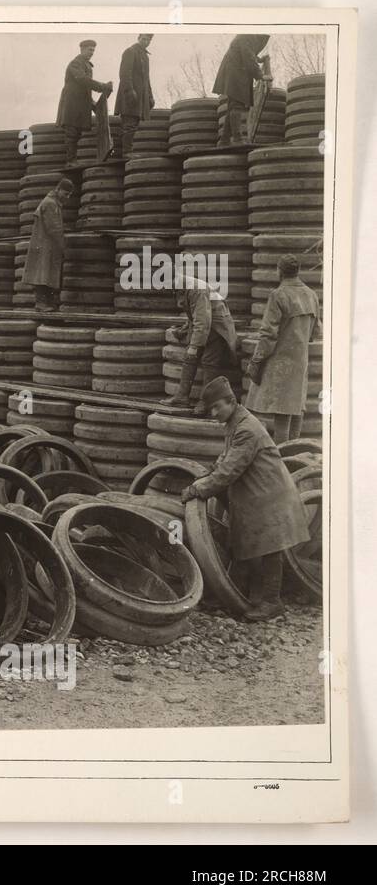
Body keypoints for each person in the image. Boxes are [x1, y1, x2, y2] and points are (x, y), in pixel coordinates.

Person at [180, 375, 311, 621]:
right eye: (211, 409)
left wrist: (199, 488)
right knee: (243, 543)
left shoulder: (246, 429)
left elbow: (229, 470)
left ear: (231, 401)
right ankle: (233, 594)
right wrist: (209, 474)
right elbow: (225, 459)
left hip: (270, 495)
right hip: (258, 493)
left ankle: (272, 603)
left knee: (272, 548)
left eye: (217, 407)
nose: (213, 413)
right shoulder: (235, 422)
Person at [246, 255, 320, 442]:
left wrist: (256, 361)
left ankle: (283, 462)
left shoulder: (278, 295)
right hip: (300, 361)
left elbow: (268, 335)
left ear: (279, 271)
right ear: (298, 271)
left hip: (279, 361)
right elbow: (316, 331)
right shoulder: (311, 294)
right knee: (295, 408)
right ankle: (294, 457)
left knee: (281, 413)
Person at [164, 273, 242, 412]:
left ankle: (205, 402)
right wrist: (184, 330)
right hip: (206, 325)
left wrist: (194, 346)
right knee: (189, 358)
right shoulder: (183, 288)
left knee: (208, 361)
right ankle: (182, 397)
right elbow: (194, 314)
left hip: (217, 328)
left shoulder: (196, 289)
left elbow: (203, 320)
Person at [56, 39, 113, 167]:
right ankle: (71, 161)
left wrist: (94, 105)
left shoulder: (87, 66)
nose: (92, 52)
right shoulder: (75, 63)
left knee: (77, 133)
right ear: (82, 49)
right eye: (89, 49)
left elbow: (86, 88)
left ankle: (73, 160)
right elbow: (83, 80)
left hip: (81, 104)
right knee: (71, 132)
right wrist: (102, 86)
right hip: (71, 104)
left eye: (93, 50)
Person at [24, 178, 73, 313]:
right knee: (43, 274)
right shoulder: (51, 203)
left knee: (47, 274)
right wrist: (63, 246)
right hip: (45, 245)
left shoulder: (53, 203)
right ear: (58, 190)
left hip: (46, 244)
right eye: (65, 194)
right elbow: (54, 229)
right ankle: (41, 303)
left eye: (69, 195)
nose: (67, 197)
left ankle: (48, 303)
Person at [214, 34, 271, 146]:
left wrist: (259, 59)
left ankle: (224, 140)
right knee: (237, 105)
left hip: (236, 70)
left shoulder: (249, 35)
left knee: (233, 106)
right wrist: (260, 75)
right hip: (236, 72)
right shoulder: (248, 35)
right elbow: (248, 55)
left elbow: (248, 52)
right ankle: (237, 139)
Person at [115, 33, 154, 159]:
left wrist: (150, 96)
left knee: (134, 123)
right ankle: (126, 152)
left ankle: (127, 150)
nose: (146, 41)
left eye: (148, 40)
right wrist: (129, 91)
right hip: (130, 94)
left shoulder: (145, 56)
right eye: (144, 39)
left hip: (141, 96)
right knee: (129, 123)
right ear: (138, 38)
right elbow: (124, 74)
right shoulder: (130, 51)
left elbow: (146, 79)